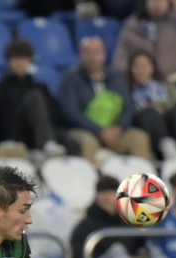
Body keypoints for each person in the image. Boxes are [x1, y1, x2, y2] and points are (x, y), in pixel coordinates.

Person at [57, 36, 152, 165]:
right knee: (87, 143)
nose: (92, 57)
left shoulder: (117, 77)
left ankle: (141, 183)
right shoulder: (70, 78)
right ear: (80, 55)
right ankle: (87, 183)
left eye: (96, 52)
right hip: (84, 130)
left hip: (115, 130)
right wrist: (100, 131)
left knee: (139, 138)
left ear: (104, 54)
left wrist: (119, 127)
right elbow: (71, 112)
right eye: (87, 52)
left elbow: (128, 107)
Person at [111, 0, 176, 103]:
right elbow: (119, 61)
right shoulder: (132, 26)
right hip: (142, 84)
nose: (157, 3)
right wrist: (133, 77)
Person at [0, 38, 71, 159]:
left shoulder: (40, 86)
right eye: (15, 59)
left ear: (30, 60)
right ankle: (46, 144)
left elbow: (54, 113)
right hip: (15, 135)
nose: (19, 63)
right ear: (8, 61)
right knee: (35, 98)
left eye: (23, 58)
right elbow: (0, 119)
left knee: (73, 142)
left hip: (39, 132)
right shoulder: (0, 88)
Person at [127, 50, 176, 159]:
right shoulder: (128, 90)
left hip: (173, 126)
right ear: (131, 69)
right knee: (149, 113)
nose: (141, 69)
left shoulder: (165, 84)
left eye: (144, 65)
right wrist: (153, 109)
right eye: (137, 66)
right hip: (150, 133)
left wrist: (163, 107)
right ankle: (166, 146)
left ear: (152, 67)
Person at [70, 174, 147, 258]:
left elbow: (141, 247)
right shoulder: (85, 226)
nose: (107, 198)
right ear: (96, 196)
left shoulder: (129, 223)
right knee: (116, 250)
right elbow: (77, 257)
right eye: (103, 193)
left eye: (111, 193)